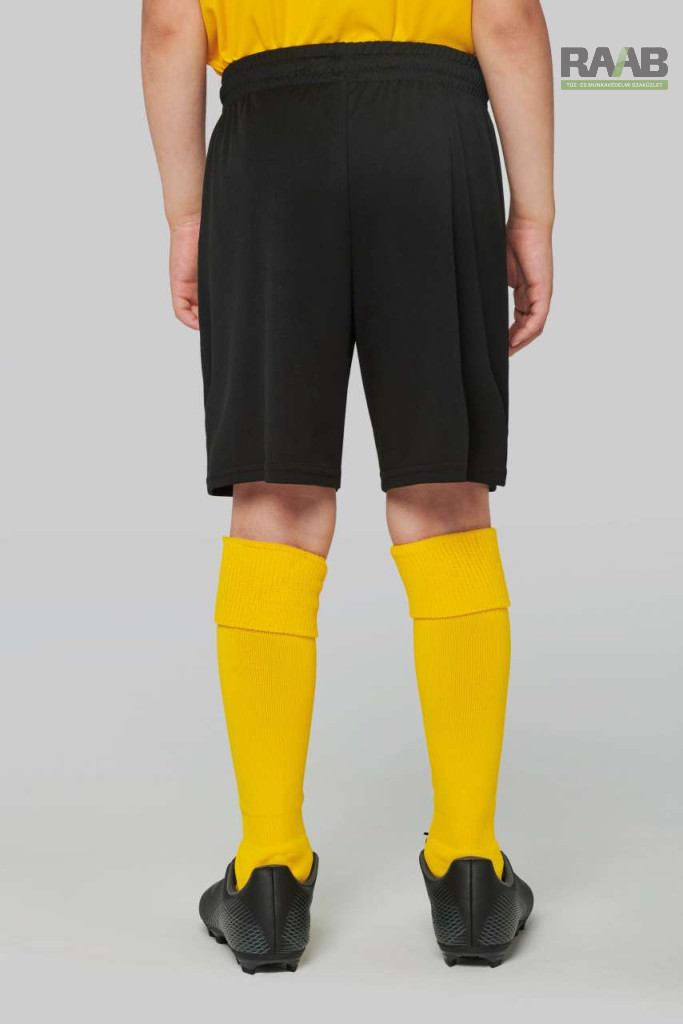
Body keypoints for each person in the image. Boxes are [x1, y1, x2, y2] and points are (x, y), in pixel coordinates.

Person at [142, 0, 554, 973]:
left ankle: (267, 877)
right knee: (442, 491)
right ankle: (469, 872)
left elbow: (168, 26)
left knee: (275, 498)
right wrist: (531, 213)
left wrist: (187, 213)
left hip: (268, 144)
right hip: (429, 135)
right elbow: (506, 18)